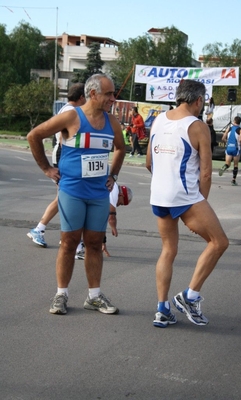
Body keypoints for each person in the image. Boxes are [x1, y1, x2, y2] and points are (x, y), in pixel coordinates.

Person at [27, 73, 126, 315]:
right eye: (109, 94)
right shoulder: (71, 116)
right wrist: (47, 169)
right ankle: (61, 295)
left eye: (113, 93)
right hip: (72, 191)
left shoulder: (111, 121)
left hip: (98, 194)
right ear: (93, 94)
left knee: (94, 243)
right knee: (69, 243)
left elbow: (121, 148)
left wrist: (113, 175)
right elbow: (34, 136)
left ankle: (94, 296)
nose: (113, 98)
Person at [146, 79, 229, 328]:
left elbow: (149, 162)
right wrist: (200, 201)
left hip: (159, 195)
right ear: (198, 101)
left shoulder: (159, 120)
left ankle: (162, 310)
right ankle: (189, 296)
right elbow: (206, 173)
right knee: (219, 242)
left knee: (168, 250)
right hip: (185, 196)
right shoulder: (198, 126)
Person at [27, 83, 86, 248]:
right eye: (86, 97)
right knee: (67, 197)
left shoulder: (68, 109)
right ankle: (47, 231)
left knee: (63, 197)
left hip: (61, 154)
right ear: (81, 97)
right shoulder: (70, 112)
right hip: (62, 155)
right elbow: (63, 139)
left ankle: (50, 231)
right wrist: (51, 167)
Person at [102, 183, 133, 257]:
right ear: (121, 195)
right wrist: (114, 228)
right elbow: (111, 217)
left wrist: (103, 241)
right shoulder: (114, 192)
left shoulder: (113, 186)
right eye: (120, 203)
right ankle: (79, 248)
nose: (117, 205)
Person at [218, 116, 241, 186]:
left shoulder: (229, 128)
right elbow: (240, 139)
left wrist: (227, 142)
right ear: (240, 122)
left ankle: (224, 167)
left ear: (234, 121)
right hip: (236, 148)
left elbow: (223, 138)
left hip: (229, 147)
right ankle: (233, 180)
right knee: (235, 165)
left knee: (228, 163)